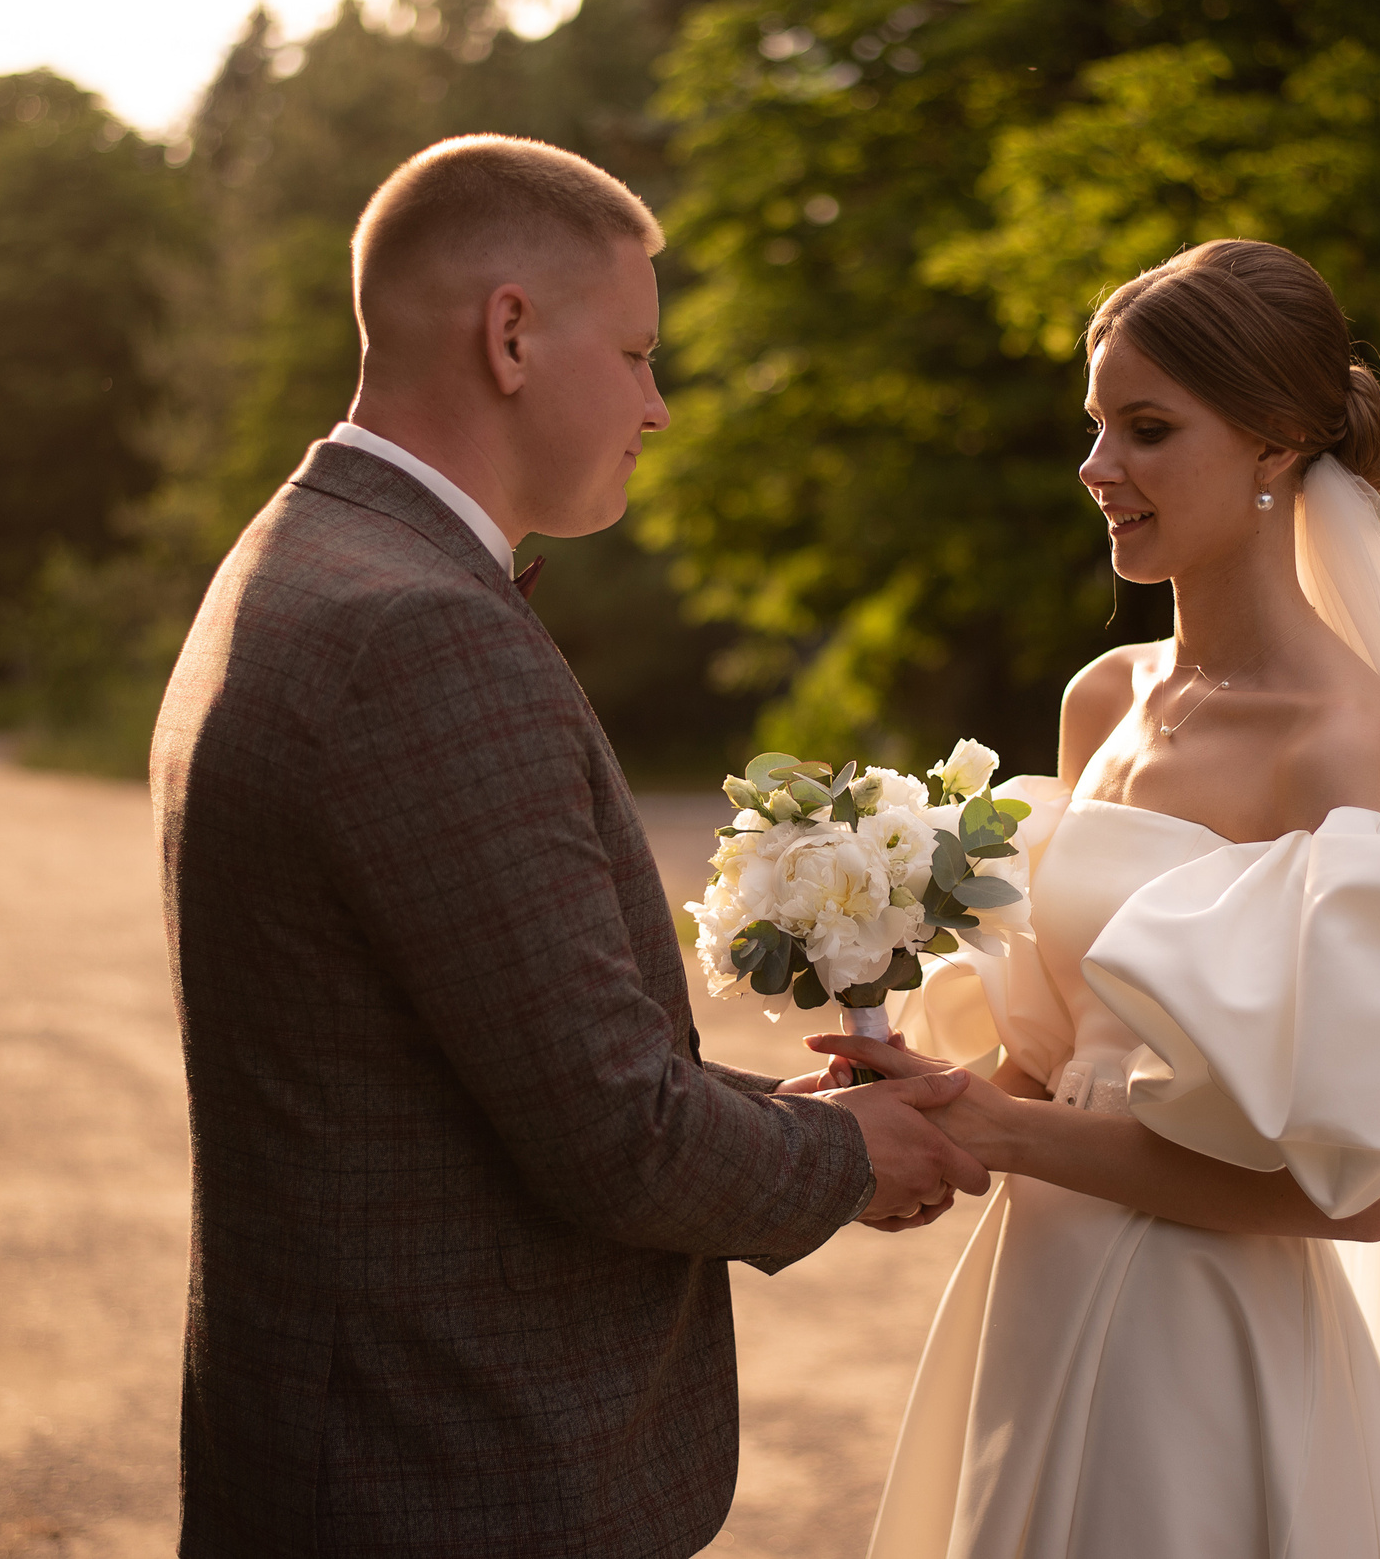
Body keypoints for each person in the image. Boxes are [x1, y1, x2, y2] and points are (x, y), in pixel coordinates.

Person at [152, 134, 987, 1558]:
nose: (658, 407)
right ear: (513, 333)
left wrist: (803, 1116)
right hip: (443, 1482)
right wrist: (847, 1159)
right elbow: (612, 1135)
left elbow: (489, 1061)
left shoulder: (300, 557)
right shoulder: (419, 632)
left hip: (346, 1450)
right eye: (641, 353)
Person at [805, 240, 1380, 1558]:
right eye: (1095, 426)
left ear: (1279, 448)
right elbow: (1067, 1057)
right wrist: (916, 1101)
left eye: (1149, 428)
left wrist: (1003, 1139)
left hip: (1201, 1337)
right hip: (1038, 1293)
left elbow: (1350, 1196)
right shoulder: (1100, 701)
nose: (1097, 466)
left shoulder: (1341, 741)